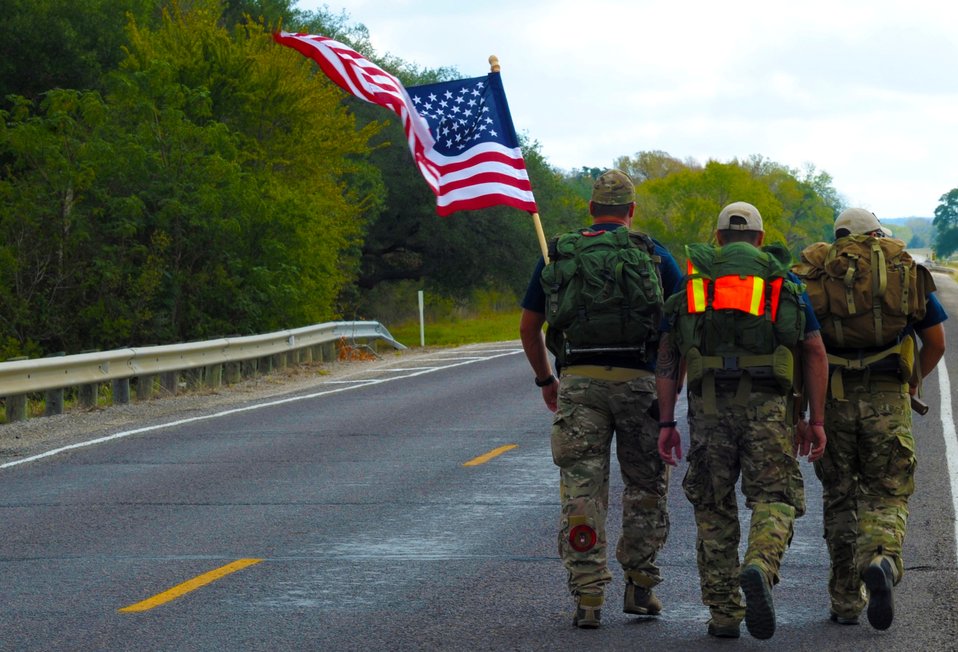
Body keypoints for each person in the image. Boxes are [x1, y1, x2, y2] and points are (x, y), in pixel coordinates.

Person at [655, 201, 829, 640]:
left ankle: (723, 613)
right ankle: (760, 563)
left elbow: (667, 357)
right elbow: (813, 350)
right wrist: (814, 419)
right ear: (759, 237)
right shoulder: (783, 283)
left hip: (708, 412)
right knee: (776, 496)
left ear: (717, 238)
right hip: (768, 410)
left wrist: (665, 423)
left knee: (713, 508)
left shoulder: (694, 286)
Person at [519, 169, 683, 629]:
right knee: (645, 488)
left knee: (582, 490)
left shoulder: (559, 255)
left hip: (580, 384)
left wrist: (545, 380)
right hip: (639, 383)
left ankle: (588, 596)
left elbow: (529, 328)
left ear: (591, 209)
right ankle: (641, 587)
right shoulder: (653, 254)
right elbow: (677, 328)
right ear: (631, 212)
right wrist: (669, 398)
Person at [794, 207, 947, 630]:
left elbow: (801, 348)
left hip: (833, 400)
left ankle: (845, 600)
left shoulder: (816, 274)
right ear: (876, 234)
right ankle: (880, 558)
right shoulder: (901, 270)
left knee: (840, 496)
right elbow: (935, 342)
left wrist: (805, 410)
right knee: (888, 491)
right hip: (887, 399)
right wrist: (913, 381)